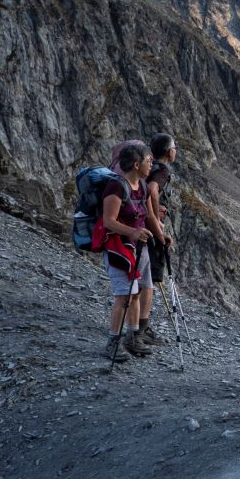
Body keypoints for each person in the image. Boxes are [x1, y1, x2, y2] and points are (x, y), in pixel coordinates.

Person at [99, 143, 169, 362]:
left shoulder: (144, 186)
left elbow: (149, 215)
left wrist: (160, 235)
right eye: (149, 161)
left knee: (137, 292)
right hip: (118, 248)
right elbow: (108, 221)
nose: (152, 165)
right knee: (124, 295)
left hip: (140, 248)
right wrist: (133, 232)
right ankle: (113, 343)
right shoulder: (116, 187)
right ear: (136, 164)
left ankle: (133, 336)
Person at [137, 133, 178, 345]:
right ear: (169, 152)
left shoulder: (148, 168)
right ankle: (141, 328)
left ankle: (135, 326)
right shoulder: (161, 170)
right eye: (174, 147)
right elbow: (152, 190)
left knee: (139, 279)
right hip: (148, 231)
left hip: (136, 226)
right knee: (149, 280)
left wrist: (154, 207)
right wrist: (157, 225)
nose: (176, 151)